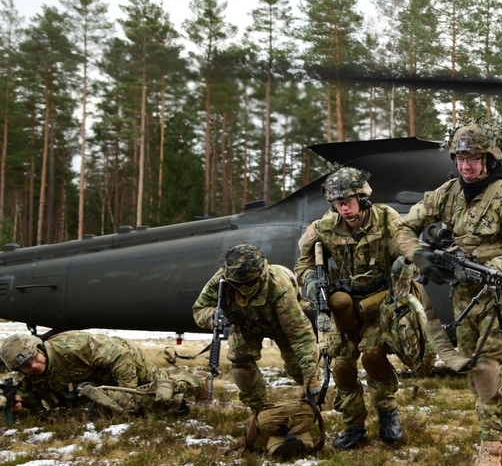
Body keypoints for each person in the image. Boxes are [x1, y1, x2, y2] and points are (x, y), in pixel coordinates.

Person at [393, 118, 502, 466]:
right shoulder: (447, 194)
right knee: (475, 371)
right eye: (460, 158)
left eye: (473, 158)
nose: (466, 165)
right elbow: (403, 228)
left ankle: (490, 451)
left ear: (489, 158)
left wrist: (486, 268)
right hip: (465, 295)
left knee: (487, 368)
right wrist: (420, 256)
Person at [294, 164, 421, 449]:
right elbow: (303, 265)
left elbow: (408, 250)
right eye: (338, 203)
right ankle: (353, 426)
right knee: (341, 365)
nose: (344, 208)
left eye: (348, 202)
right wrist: (312, 283)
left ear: (362, 200)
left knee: (372, 356)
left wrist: (408, 260)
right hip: (344, 305)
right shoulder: (323, 227)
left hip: (379, 303)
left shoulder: (387, 220)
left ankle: (388, 414)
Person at [192, 243, 320, 411]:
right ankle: (258, 411)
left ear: (262, 275)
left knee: (300, 368)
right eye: (238, 284)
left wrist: (311, 375)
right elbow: (199, 309)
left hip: (281, 323)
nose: (244, 288)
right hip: (245, 323)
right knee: (241, 367)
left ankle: (312, 407)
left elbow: (300, 335)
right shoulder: (220, 282)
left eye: (250, 282)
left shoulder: (280, 286)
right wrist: (212, 316)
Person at [0, 331, 204, 417]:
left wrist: (128, 395)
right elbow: (31, 406)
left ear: (39, 348)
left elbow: (120, 357)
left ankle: (190, 382)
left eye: (34, 358)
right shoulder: (25, 378)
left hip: (126, 359)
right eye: (26, 366)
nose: (34, 366)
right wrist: (16, 408)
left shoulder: (73, 346)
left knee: (161, 393)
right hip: (97, 380)